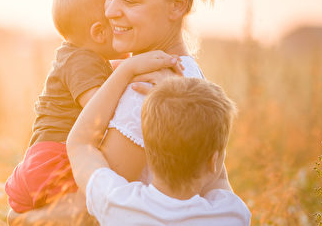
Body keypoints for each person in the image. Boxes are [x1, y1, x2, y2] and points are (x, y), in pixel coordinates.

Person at [9, 0, 246, 224]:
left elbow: (90, 211)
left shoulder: (145, 89)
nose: (109, 11)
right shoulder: (187, 74)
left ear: (177, 6)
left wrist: (17, 217)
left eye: (129, 0)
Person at [67, 51, 251, 225]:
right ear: (213, 160)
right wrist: (183, 102)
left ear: (147, 149)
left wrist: (126, 69)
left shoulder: (120, 204)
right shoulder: (231, 214)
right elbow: (219, 179)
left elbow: (79, 144)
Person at [4, 0, 121, 214]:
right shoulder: (83, 62)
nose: (122, 21)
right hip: (57, 158)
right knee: (90, 208)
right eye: (116, 22)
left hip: (42, 158)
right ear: (99, 32)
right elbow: (98, 110)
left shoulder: (76, 56)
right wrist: (127, 74)